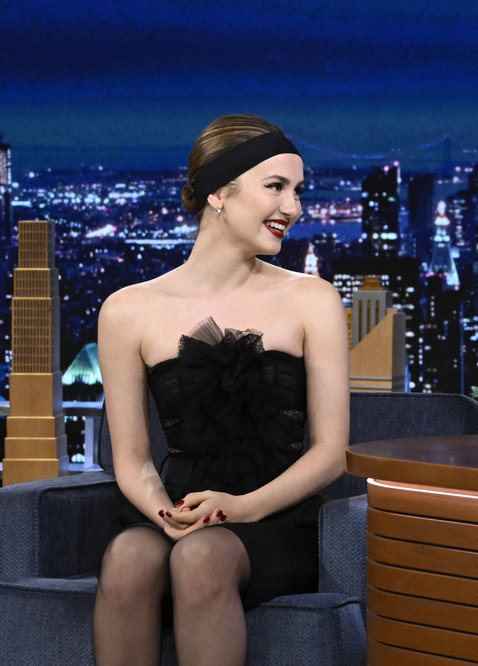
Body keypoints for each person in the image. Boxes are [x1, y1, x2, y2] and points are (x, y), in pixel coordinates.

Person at [92, 114, 350, 665]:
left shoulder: (314, 299)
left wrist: (239, 509)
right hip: (177, 509)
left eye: (298, 191)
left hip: (277, 517)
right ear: (218, 194)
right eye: (276, 187)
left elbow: (331, 454)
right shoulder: (126, 311)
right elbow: (133, 461)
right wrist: (169, 517)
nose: (293, 208)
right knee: (129, 559)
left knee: (202, 558)